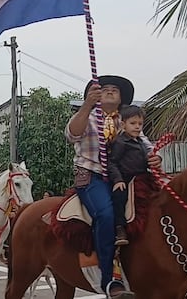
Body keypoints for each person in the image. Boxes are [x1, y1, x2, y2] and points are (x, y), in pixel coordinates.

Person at [65, 75, 161, 298]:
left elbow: (146, 145)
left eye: (114, 89)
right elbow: (72, 135)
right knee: (106, 214)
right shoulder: (85, 116)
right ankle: (109, 279)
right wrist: (88, 105)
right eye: (104, 88)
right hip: (90, 174)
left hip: (126, 177)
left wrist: (154, 157)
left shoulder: (128, 120)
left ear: (121, 98)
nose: (109, 91)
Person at [107, 105, 150, 246]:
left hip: (142, 178)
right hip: (125, 178)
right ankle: (119, 228)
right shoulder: (120, 142)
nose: (137, 127)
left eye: (140, 124)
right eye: (133, 123)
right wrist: (118, 180)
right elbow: (112, 162)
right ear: (123, 124)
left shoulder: (142, 143)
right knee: (119, 197)